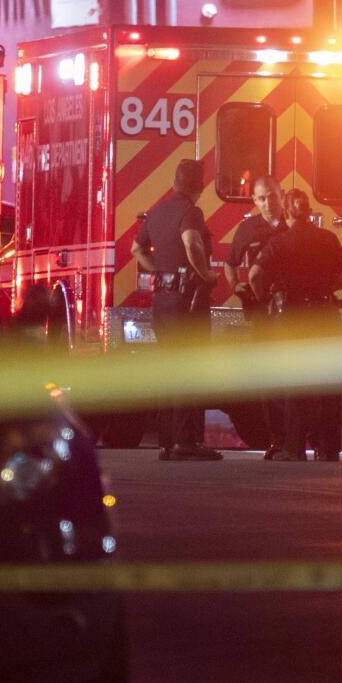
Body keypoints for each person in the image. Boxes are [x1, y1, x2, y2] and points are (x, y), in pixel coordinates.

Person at [134, 159, 222, 461]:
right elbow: (192, 242)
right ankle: (188, 442)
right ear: (199, 187)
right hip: (187, 303)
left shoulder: (157, 212)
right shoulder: (191, 212)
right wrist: (206, 274)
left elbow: (137, 250)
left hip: (163, 303)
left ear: (174, 183)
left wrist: (159, 271)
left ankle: (167, 442)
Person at [253, 188, 342, 463]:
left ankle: (294, 448)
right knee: (328, 384)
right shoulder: (329, 239)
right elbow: (341, 281)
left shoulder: (279, 243)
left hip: (294, 318)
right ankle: (329, 448)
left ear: (286, 210)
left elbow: (255, 274)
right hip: (325, 316)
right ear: (308, 210)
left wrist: (265, 298)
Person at [225, 176, 286, 321]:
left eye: (272, 196)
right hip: (260, 304)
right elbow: (230, 263)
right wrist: (235, 285)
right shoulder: (247, 228)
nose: (268, 203)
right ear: (255, 200)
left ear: (282, 195)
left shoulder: (292, 225)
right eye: (262, 198)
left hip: (292, 303)